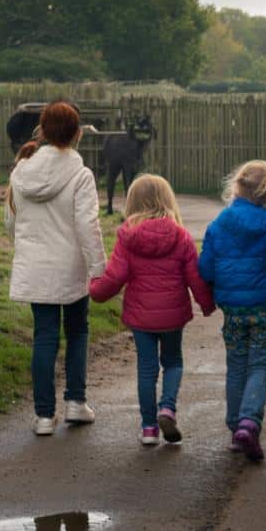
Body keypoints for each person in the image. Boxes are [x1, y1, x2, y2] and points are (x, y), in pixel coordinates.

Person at [5, 101, 108, 436]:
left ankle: (44, 416)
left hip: (36, 264)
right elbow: (88, 225)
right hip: (71, 266)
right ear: (77, 134)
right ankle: (76, 402)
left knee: (44, 335)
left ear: (43, 130)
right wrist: (98, 267)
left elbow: (11, 221)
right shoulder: (81, 175)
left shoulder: (21, 172)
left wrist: (26, 247)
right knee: (77, 330)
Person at [90, 174, 215, 446]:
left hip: (141, 317)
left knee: (146, 370)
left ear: (132, 202)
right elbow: (195, 277)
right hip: (173, 316)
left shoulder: (128, 237)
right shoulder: (180, 236)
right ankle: (167, 408)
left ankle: (148, 428)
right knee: (173, 362)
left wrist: (96, 291)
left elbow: (115, 276)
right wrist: (207, 303)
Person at [198, 160, 266, 461]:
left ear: (237, 185)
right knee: (260, 365)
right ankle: (249, 422)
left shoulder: (219, 223)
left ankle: (235, 428)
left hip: (233, 310)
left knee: (237, 365)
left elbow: (205, 268)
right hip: (263, 308)